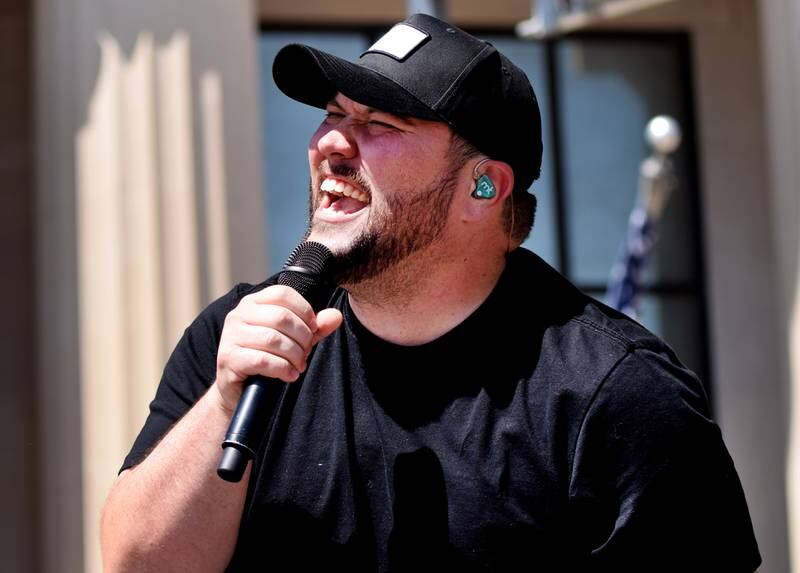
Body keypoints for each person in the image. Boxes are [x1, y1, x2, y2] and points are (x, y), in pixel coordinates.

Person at [100, 13, 761, 572]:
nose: (331, 142)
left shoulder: (614, 395)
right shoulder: (242, 342)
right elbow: (136, 562)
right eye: (332, 114)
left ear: (484, 188)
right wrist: (223, 401)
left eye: (380, 123)